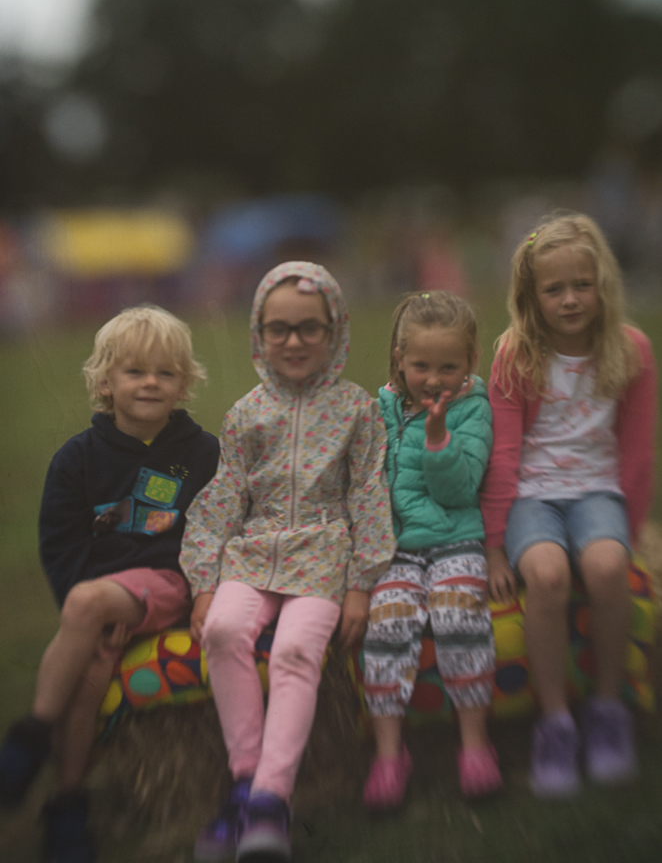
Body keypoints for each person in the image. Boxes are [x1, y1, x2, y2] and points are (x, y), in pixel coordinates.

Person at [181, 261, 395, 863]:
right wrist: (204, 582)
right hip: (255, 549)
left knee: (297, 650)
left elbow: (368, 495)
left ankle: (272, 802)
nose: (294, 342)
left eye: (308, 329)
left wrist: (361, 584)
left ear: (335, 332)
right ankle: (245, 785)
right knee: (223, 631)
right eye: (279, 329)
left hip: (326, 552)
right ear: (258, 334)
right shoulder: (246, 413)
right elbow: (224, 498)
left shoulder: (357, 411)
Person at [0, 306, 220, 863]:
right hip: (105, 598)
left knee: (87, 598)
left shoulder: (203, 454)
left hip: (171, 583)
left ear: (184, 383)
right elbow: (60, 545)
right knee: (89, 672)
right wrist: (101, 615)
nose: (151, 383)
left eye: (165, 373)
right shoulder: (76, 459)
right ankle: (67, 805)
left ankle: (28, 737)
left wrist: (110, 602)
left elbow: (217, 533)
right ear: (105, 381)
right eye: (134, 372)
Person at [481, 213, 657, 797]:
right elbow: (503, 456)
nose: (571, 299)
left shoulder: (630, 350)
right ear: (531, 296)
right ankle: (554, 721)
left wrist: (627, 534)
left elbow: (635, 453)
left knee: (607, 568)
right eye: (554, 289)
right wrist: (495, 547)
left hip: (597, 491)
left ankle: (607, 710)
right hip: (533, 497)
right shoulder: (517, 353)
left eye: (582, 284)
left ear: (601, 282)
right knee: (549, 576)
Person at [361, 290, 502, 810]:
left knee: (458, 615)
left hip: (455, 540)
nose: (434, 379)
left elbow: (460, 491)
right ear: (399, 358)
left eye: (449, 365)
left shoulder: (472, 408)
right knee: (389, 624)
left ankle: (474, 744)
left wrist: (438, 437)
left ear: (470, 362)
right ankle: (389, 755)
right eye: (421, 365)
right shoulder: (380, 406)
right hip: (397, 551)